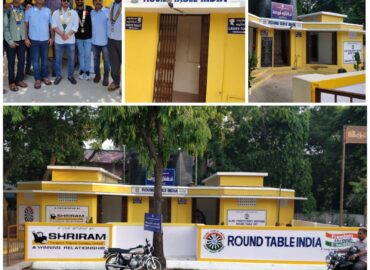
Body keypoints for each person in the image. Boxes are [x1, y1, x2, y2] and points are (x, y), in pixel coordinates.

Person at [25, 0, 54, 89]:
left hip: (45, 40)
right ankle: (37, 79)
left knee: (45, 60)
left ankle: (44, 76)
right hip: (34, 40)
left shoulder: (48, 11)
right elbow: (25, 25)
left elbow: (51, 25)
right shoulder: (29, 11)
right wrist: (26, 38)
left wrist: (52, 37)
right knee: (35, 61)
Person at [51, 0, 79, 85]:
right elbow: (54, 26)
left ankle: (70, 76)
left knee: (71, 59)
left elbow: (76, 26)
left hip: (70, 40)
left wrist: (67, 35)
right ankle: (58, 76)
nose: (66, 2)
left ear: (69, 2)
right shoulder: (56, 13)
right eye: (64, 0)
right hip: (59, 40)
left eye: (67, 1)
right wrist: (61, 34)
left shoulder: (73, 13)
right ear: (61, 2)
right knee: (58, 60)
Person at [3, 0, 28, 92]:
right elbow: (5, 27)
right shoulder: (8, 9)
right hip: (11, 40)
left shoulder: (23, 9)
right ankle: (11, 82)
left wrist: (25, 38)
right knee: (11, 62)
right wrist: (9, 41)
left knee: (22, 60)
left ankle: (19, 80)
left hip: (21, 39)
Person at [91, 0, 109, 86]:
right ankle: (97, 75)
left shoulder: (107, 11)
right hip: (94, 42)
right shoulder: (92, 13)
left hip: (105, 42)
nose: (98, 2)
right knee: (96, 60)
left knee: (106, 61)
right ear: (93, 3)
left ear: (102, 2)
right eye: (96, 1)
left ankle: (106, 77)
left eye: (100, 0)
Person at [75, 0, 93, 80]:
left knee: (87, 54)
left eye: (81, 0)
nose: (79, 1)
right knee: (81, 54)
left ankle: (88, 71)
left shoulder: (89, 8)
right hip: (78, 37)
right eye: (77, 0)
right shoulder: (73, 11)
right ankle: (82, 70)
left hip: (88, 37)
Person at [107, 0, 121, 91]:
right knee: (114, 63)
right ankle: (116, 82)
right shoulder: (111, 4)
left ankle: (125, 86)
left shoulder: (127, 3)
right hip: (111, 38)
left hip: (121, 38)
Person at [22, 0, 33, 76]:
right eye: (28, 8)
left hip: (31, 37)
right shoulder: (21, 13)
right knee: (22, 56)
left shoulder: (33, 15)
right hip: (22, 37)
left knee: (29, 55)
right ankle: (21, 72)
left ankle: (28, 70)